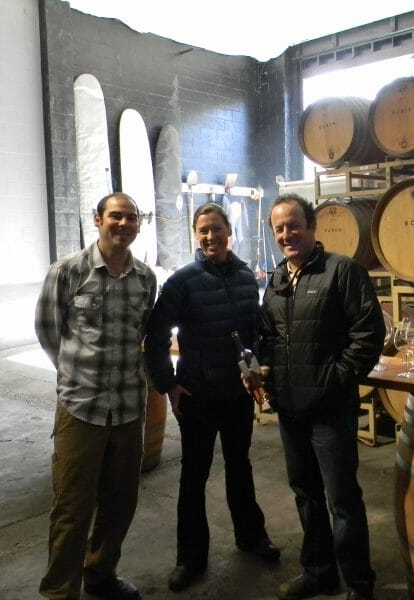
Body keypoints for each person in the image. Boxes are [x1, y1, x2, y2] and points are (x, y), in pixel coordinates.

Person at [144, 202, 279, 593]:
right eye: (202, 230)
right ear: (195, 235)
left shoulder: (243, 275)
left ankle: (251, 537)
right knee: (194, 475)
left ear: (228, 231)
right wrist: (168, 384)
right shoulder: (182, 282)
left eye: (216, 228)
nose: (209, 236)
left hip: (236, 394)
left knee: (240, 466)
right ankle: (191, 557)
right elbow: (155, 337)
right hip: (197, 395)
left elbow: (255, 332)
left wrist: (257, 369)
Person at [257, 194, 385, 600]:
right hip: (290, 409)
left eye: (294, 225)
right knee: (306, 494)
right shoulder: (276, 280)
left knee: (342, 499)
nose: (286, 234)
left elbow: (368, 335)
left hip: (330, 410)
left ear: (313, 227)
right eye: (279, 228)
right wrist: (263, 370)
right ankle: (318, 572)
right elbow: (267, 337)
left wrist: (336, 379)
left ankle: (359, 584)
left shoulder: (342, 272)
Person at [35, 192, 157, 600]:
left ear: (139, 225)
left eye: (131, 218)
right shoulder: (67, 271)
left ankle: (100, 575)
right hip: (80, 408)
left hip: (127, 410)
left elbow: (140, 334)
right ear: (97, 220)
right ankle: (59, 591)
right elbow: (48, 332)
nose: (123, 224)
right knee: (72, 507)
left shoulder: (146, 279)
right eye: (115, 216)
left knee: (120, 503)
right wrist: (75, 372)